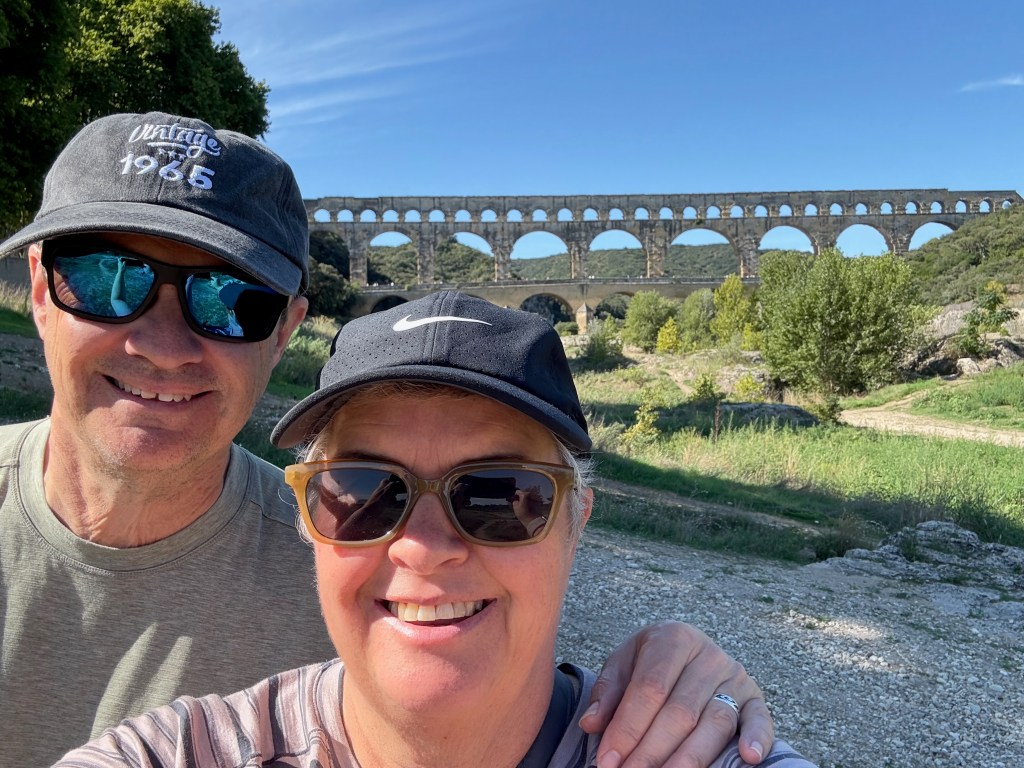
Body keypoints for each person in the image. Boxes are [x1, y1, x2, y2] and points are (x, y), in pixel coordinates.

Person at [0, 111, 773, 768]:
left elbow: (520, 676)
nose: (421, 546)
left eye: (232, 301)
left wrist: (681, 676)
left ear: (285, 333)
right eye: (106, 279)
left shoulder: (342, 562)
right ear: (39, 289)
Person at [55, 291, 816, 768]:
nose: (423, 545)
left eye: (497, 495)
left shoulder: (688, 751)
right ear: (309, 518)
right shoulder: (174, 754)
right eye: (361, 492)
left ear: (576, 521)